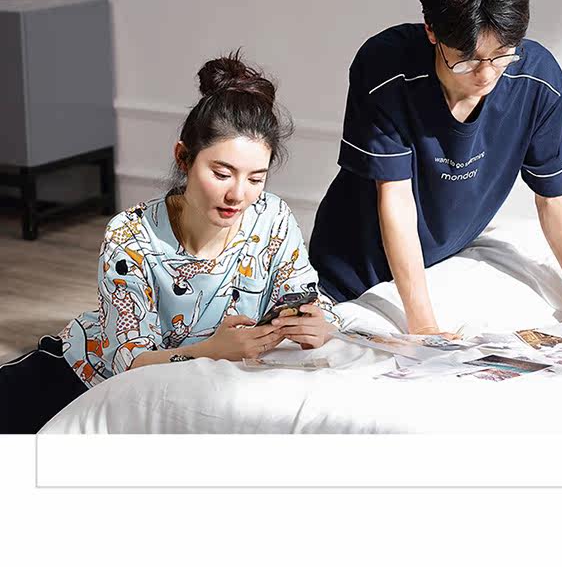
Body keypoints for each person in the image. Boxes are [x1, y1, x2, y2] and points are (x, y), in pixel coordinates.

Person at [0, 52, 341, 433]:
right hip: (82, 380)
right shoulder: (131, 237)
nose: (238, 195)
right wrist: (212, 351)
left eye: (255, 179)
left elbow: (304, 293)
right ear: (183, 158)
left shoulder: (272, 218)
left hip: (182, 398)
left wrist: (319, 322)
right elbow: (129, 363)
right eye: (222, 173)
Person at [309, 0, 562, 335]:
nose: (486, 74)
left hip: (437, 266)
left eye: (502, 54)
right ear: (431, 30)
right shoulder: (386, 67)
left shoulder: (537, 79)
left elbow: (553, 198)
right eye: (467, 58)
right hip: (348, 272)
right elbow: (395, 197)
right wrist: (424, 328)